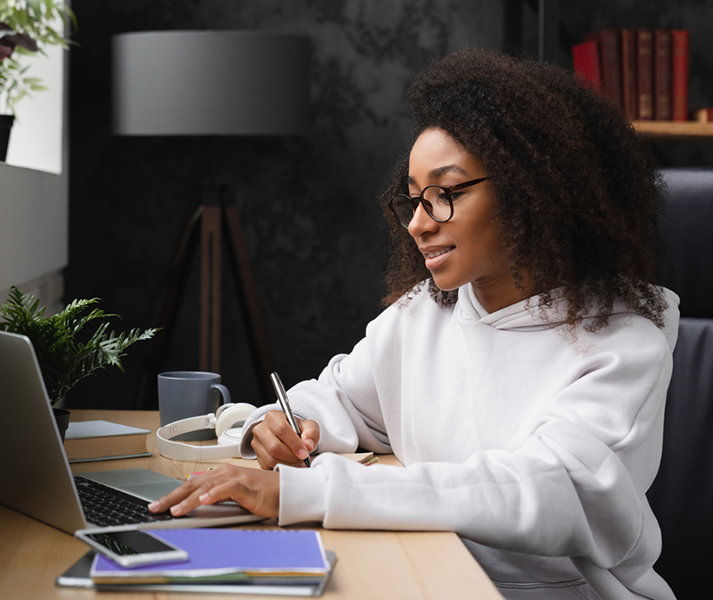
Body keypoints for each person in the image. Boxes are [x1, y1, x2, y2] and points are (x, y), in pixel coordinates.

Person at [149, 48, 679, 600]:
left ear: (533, 191)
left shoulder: (624, 346)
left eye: (445, 195)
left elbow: (542, 488)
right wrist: (288, 422)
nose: (419, 225)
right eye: (413, 201)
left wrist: (304, 492)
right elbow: (344, 400)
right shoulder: (425, 311)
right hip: (425, 572)